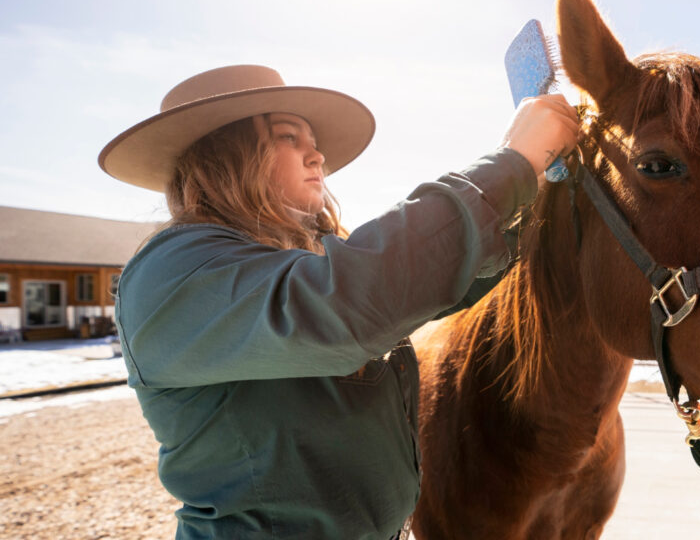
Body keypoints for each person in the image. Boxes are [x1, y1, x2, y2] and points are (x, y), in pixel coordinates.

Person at [99, 64, 579, 539]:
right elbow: (350, 303)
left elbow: (420, 290)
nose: (318, 156)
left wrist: (527, 198)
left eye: (312, 142)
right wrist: (509, 165)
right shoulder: (174, 273)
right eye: (289, 137)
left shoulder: (285, 264)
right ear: (224, 153)